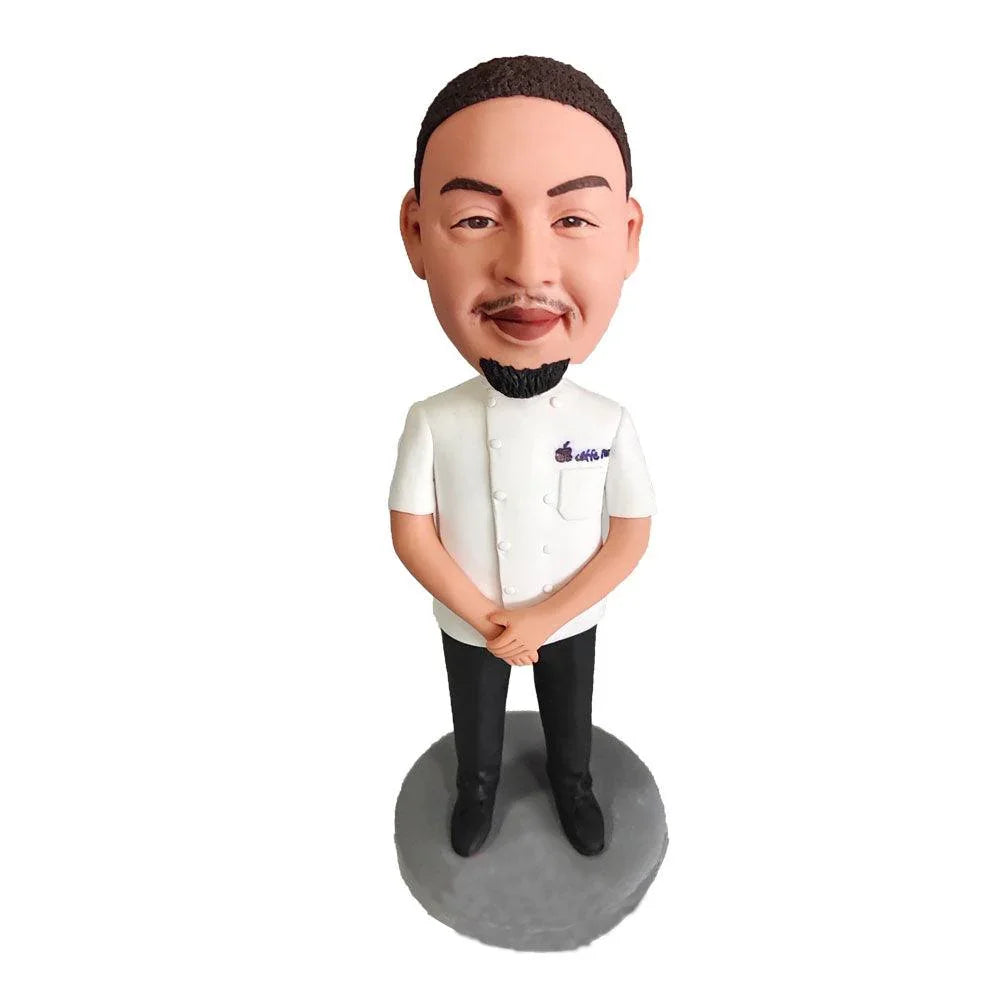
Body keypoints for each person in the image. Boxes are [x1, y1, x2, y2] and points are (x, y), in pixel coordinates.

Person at [389, 55, 656, 858]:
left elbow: (631, 534)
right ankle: (477, 792)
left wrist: (543, 618)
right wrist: (485, 620)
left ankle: (574, 786)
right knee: (474, 720)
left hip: (571, 616)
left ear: (628, 237)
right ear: (417, 234)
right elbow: (410, 531)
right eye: (476, 219)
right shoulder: (432, 420)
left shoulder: (608, 422)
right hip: (468, 620)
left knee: (572, 715)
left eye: (573, 219)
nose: (529, 269)